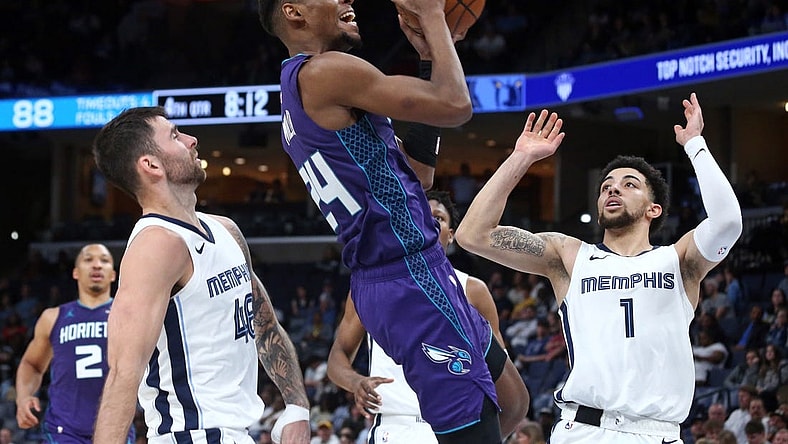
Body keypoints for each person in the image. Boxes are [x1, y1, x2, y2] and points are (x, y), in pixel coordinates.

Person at [258, 0, 520, 442]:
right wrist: (435, 15)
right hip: (409, 279)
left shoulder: (298, 87)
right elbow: (455, 105)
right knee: (478, 428)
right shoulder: (327, 71)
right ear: (294, 12)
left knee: (514, 402)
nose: (348, 0)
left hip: (399, 275)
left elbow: (416, 177)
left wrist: (428, 59)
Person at [455, 92, 743, 443]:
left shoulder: (679, 260)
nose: (613, 190)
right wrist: (521, 157)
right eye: (606, 186)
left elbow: (728, 222)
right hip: (584, 430)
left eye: (629, 185)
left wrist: (695, 144)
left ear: (654, 210)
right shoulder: (569, 255)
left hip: (657, 433)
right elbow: (473, 235)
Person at [90, 107, 311, 444]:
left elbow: (264, 323)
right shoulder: (156, 244)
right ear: (151, 165)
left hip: (236, 433)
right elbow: (123, 371)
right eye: (176, 136)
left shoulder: (226, 229)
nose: (193, 140)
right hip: (190, 434)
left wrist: (297, 405)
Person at [326, 190, 528, 442]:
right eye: (423, 214)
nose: (431, 221)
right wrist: (355, 381)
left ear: (451, 235)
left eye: (440, 218)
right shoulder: (372, 285)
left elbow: (500, 373)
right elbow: (338, 355)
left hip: (459, 424)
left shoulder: (473, 290)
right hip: (395, 425)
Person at [15, 243, 135, 444]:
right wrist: (23, 397)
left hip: (116, 429)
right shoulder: (53, 317)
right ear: (75, 272)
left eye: (104, 261)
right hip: (63, 431)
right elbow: (32, 364)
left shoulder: (130, 316)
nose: (97, 265)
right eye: (88, 260)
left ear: (113, 275)